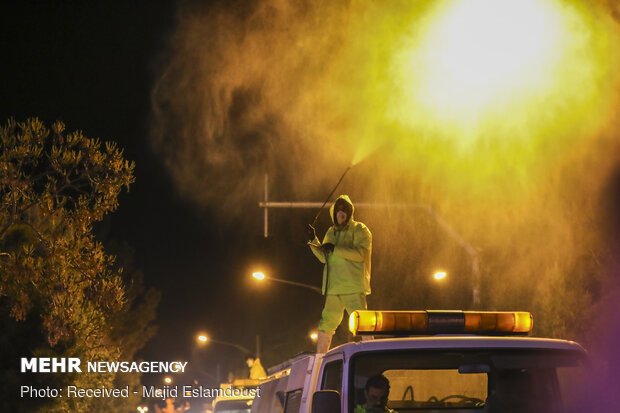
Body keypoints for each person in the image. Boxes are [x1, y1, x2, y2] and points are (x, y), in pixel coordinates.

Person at [308, 194, 372, 353]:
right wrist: (313, 240)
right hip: (333, 288)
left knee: (362, 322)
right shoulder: (331, 232)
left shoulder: (360, 229)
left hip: (352, 286)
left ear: (350, 212)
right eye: (338, 209)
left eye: (345, 209)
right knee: (326, 324)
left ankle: (371, 353)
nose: (341, 213)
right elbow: (324, 257)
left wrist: (335, 249)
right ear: (333, 212)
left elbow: (361, 255)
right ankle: (319, 359)